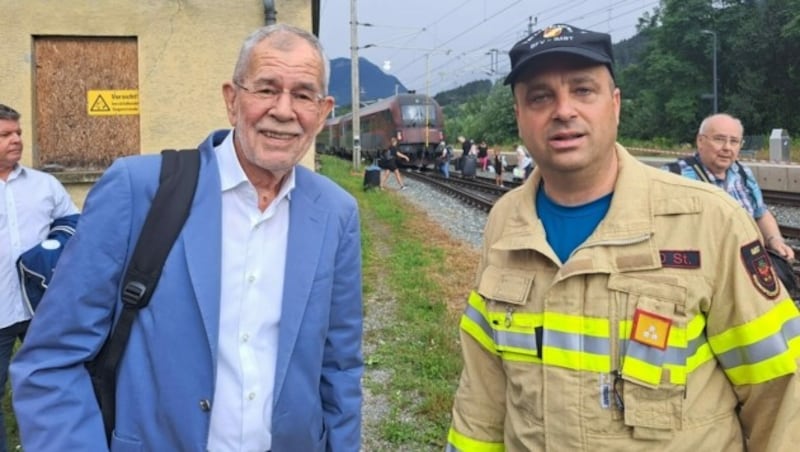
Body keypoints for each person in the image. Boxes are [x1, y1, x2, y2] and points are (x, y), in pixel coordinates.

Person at [447, 23, 800, 451]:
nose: (563, 110)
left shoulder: (709, 221)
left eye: (583, 90)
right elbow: (484, 390)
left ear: (615, 105)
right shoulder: (506, 221)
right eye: (540, 96)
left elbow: (780, 394)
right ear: (520, 116)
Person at [11, 24, 363, 451]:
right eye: (266, 89)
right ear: (232, 100)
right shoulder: (139, 190)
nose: (284, 110)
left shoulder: (335, 213)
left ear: (323, 111)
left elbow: (339, 366)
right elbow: (51, 361)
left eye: (303, 94)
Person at [0, 104, 79, 452]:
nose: (16, 140)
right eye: (5, 135)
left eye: (18, 132)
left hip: (42, 307)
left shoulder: (45, 184)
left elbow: (73, 224)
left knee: (54, 384)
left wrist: (53, 248)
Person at [663, 113, 795, 261]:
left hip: (747, 264)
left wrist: (775, 240)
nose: (727, 148)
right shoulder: (673, 176)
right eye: (719, 139)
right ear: (700, 141)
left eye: (734, 141)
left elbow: (761, 213)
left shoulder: (743, 173)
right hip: (703, 267)